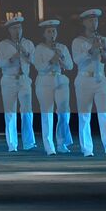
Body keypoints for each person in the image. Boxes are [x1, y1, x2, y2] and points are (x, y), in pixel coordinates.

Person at [71, 8, 106, 156]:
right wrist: (91, 51)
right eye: (91, 20)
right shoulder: (78, 41)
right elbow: (76, 60)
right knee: (85, 115)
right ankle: (87, 149)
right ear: (84, 23)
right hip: (84, 79)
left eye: (96, 20)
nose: (94, 23)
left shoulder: (104, 39)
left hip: (100, 79)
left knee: (104, 112)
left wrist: (105, 48)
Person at [0, 15, 37, 152]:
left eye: (19, 28)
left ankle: (29, 142)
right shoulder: (3, 44)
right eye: (14, 28)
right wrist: (10, 59)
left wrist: (26, 54)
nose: (17, 31)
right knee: (10, 112)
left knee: (27, 111)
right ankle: (12, 144)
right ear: (9, 30)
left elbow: (36, 62)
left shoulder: (28, 44)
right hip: (8, 79)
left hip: (24, 79)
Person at [32, 18, 74, 155]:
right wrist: (51, 60)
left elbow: (70, 66)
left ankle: (61, 142)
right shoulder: (39, 48)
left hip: (60, 80)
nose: (52, 33)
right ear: (44, 34)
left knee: (64, 112)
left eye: (54, 31)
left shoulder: (62, 47)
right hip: (45, 81)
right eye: (49, 31)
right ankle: (49, 145)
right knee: (47, 113)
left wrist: (61, 58)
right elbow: (39, 67)